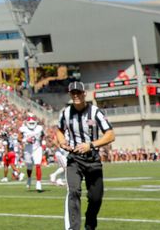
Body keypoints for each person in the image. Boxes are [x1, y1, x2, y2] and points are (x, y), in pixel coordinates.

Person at [55, 81, 115, 230]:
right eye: (73, 93)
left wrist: (91, 145)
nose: (76, 95)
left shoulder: (95, 112)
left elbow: (110, 134)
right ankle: (73, 228)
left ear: (84, 94)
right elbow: (59, 131)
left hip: (92, 159)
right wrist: (62, 143)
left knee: (96, 197)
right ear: (70, 95)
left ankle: (90, 223)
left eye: (78, 92)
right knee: (73, 191)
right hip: (74, 159)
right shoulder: (66, 113)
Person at [19, 113, 45, 191]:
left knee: (38, 165)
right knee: (29, 166)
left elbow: (42, 135)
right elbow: (19, 138)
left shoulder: (39, 128)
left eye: (33, 123)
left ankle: (38, 183)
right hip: (28, 149)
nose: (31, 124)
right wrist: (25, 140)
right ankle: (29, 178)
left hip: (37, 148)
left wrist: (41, 142)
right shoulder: (23, 129)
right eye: (30, 123)